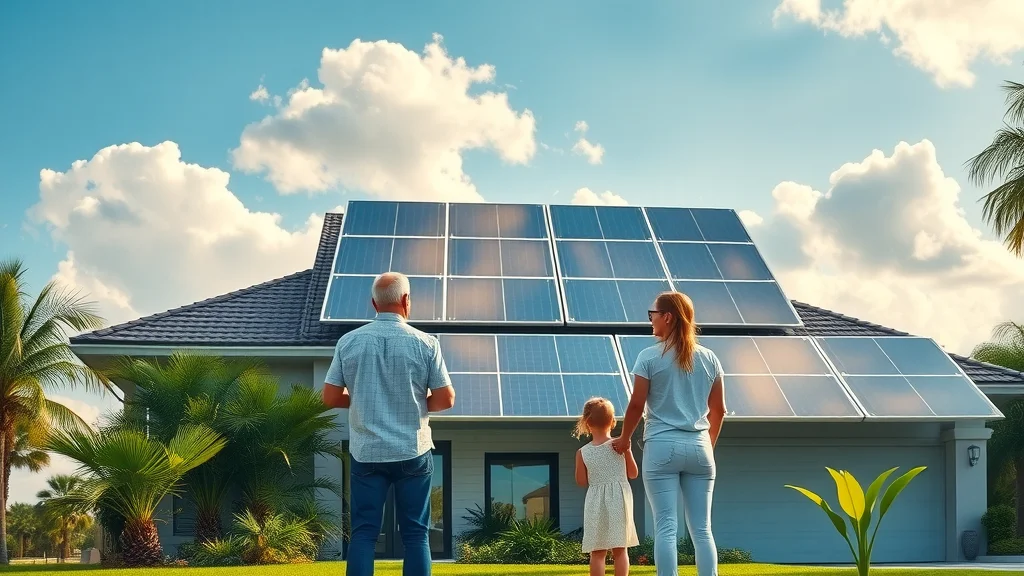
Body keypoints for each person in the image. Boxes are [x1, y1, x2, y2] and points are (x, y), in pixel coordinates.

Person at [321, 271, 456, 576]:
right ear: (406, 300)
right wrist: (415, 404)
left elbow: (329, 397)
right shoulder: (426, 343)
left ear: (374, 303)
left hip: (367, 453)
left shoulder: (349, 342)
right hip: (413, 450)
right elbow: (446, 399)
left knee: (364, 534)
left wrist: (363, 401)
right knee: (416, 535)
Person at [611, 291, 727, 576]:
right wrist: (707, 444)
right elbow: (719, 410)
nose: (650, 318)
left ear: (668, 317)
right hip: (700, 447)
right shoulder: (710, 358)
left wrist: (625, 439)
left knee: (666, 526)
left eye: (653, 313)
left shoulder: (649, 356)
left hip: (662, 446)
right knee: (702, 530)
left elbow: (637, 404)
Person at [573, 397, 640, 576]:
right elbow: (633, 474)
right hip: (619, 501)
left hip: (595, 503)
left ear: (586, 423)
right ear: (612, 422)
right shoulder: (620, 445)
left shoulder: (582, 453)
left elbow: (581, 482)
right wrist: (628, 450)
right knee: (620, 549)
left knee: (597, 551)